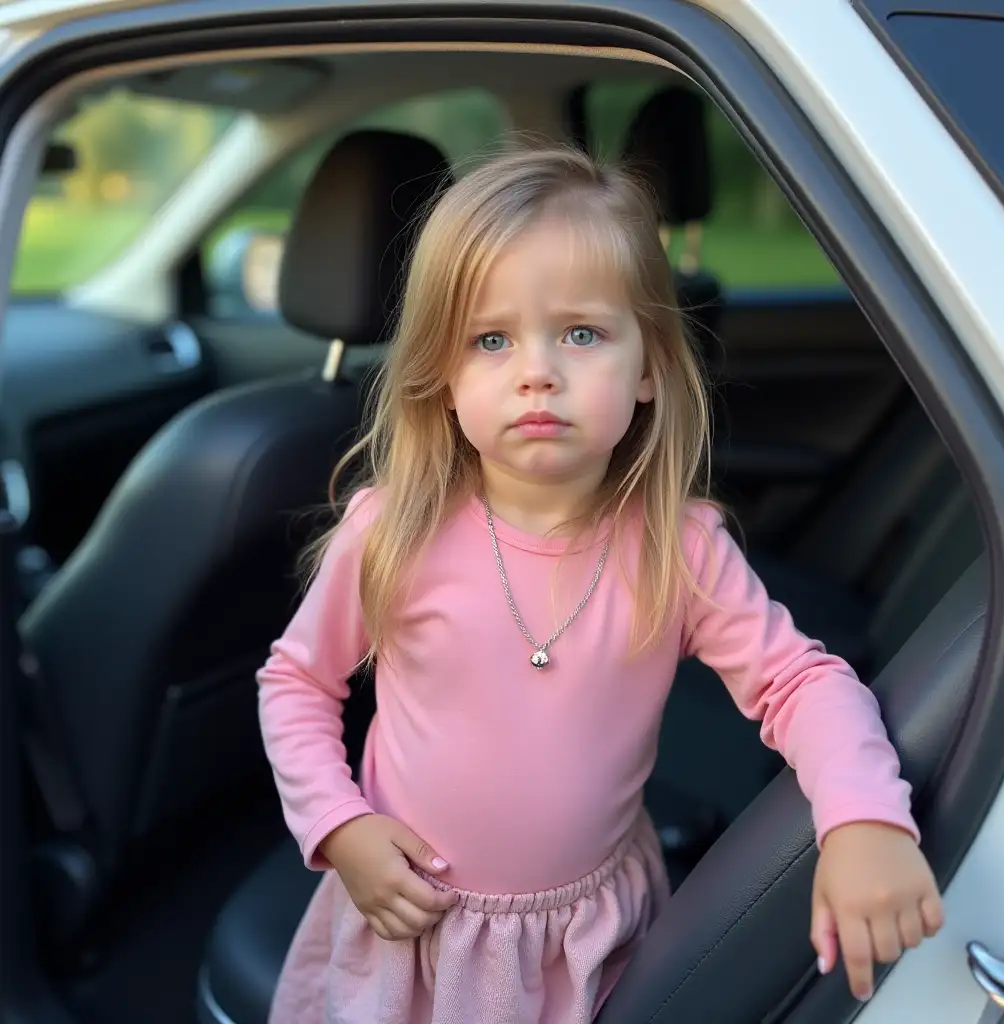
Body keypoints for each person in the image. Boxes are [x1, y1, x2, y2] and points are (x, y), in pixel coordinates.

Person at [256, 145, 944, 1024]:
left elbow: (801, 681)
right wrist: (339, 827)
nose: (538, 370)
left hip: (585, 942)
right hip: (409, 927)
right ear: (444, 379)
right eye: (491, 339)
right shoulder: (395, 530)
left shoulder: (677, 546)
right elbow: (297, 682)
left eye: (582, 333)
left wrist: (862, 819)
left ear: (650, 367)